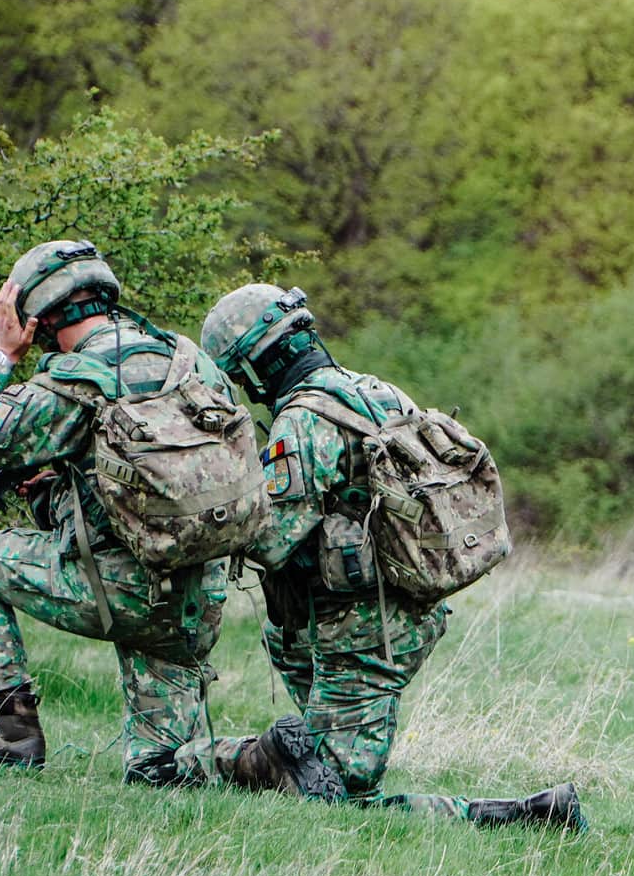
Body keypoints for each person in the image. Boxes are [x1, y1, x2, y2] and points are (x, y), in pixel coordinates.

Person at [183, 283, 583, 829]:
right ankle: (280, 754)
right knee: (325, 770)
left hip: (360, 633)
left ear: (254, 368)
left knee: (341, 799)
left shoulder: (300, 423)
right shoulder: (379, 392)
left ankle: (204, 761)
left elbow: (273, 540)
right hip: (403, 614)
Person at [0, 240, 254, 787]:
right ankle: (268, 756)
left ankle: (11, 733)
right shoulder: (188, 360)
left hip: (119, 594)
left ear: (37, 315)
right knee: (161, 773)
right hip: (195, 602)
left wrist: (2, 358)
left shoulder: (73, 383)